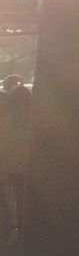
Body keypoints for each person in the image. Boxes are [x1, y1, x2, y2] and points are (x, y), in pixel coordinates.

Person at [1, 76, 31, 237]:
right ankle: (23, 230)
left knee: (14, 199)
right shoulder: (35, 121)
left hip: (11, 167)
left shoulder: (6, 121)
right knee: (24, 199)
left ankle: (11, 229)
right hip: (28, 166)